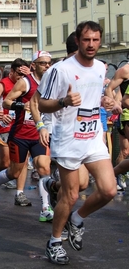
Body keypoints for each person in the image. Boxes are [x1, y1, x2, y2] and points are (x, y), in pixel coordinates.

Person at [39, 21, 116, 265]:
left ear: (100, 41)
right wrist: (63, 102)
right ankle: (54, 242)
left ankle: (77, 219)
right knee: (70, 195)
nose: (91, 44)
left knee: (109, 190)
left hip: (93, 136)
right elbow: (42, 104)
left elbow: (93, 98)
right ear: (78, 40)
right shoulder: (60, 70)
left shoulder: (101, 68)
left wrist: (106, 102)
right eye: (86, 40)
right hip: (69, 138)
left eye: (95, 40)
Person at [0, 51, 54, 222]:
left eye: (49, 63)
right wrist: (22, 105)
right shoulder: (25, 82)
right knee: (15, 172)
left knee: (44, 168)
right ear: (34, 65)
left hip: (40, 133)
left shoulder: (52, 82)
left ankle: (45, 208)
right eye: (42, 63)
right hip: (20, 134)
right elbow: (6, 102)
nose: (46, 66)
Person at [0, 58, 31, 206]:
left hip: (22, 125)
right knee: (5, 161)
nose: (21, 77)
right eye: (19, 73)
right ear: (11, 72)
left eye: (24, 73)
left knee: (23, 161)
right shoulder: (3, 84)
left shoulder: (27, 83)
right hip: (5, 125)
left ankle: (20, 193)